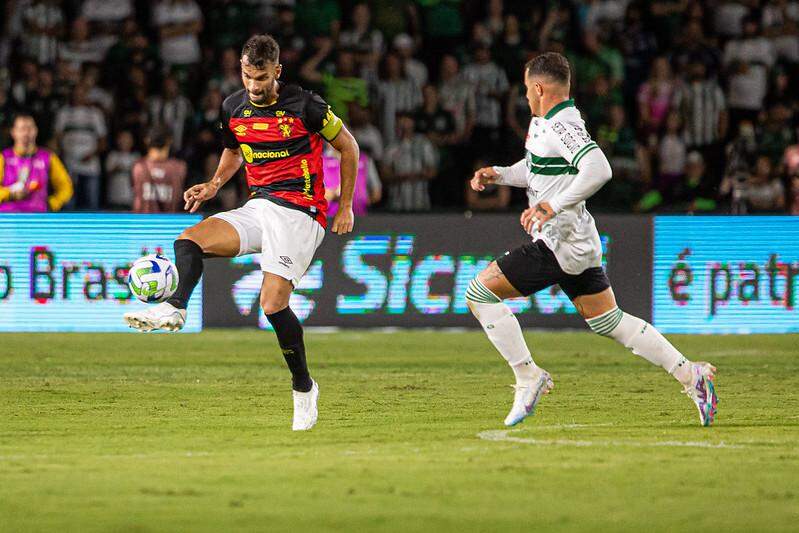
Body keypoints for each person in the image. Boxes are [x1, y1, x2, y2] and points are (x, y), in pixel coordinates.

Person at [467, 53, 718, 428]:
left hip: (558, 242)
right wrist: (500, 175)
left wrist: (553, 204)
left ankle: (528, 376)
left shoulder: (562, 125)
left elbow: (599, 168)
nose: (525, 95)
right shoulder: (546, 123)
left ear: (538, 88)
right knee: (609, 321)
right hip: (576, 239)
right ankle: (691, 375)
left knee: (479, 294)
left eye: (525, 89)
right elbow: (538, 169)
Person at [124, 35, 359, 431]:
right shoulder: (233, 106)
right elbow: (235, 150)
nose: (254, 85)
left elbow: (348, 148)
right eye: (248, 76)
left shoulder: (307, 105)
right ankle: (176, 307)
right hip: (260, 205)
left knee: (271, 305)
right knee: (189, 239)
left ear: (277, 72)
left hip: (301, 211)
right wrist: (214, 185)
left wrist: (346, 205)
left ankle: (304, 387)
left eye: (262, 77)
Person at [0, 114, 72, 213]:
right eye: (22, 129)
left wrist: (53, 204)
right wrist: (10, 194)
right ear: (13, 132)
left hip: (38, 217)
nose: (26, 133)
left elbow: (66, 186)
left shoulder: (48, 157)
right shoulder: (4, 157)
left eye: (29, 128)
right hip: (7, 217)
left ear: (36, 131)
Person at [131, 127, 186, 213]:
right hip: (170, 222)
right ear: (169, 141)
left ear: (147, 141)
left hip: (141, 222)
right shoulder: (179, 167)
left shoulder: (138, 167)